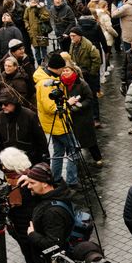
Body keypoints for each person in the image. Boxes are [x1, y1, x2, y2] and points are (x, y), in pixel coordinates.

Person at [34, 52, 80, 188]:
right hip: (59, 124)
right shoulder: (46, 84)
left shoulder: (48, 78)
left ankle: (56, 178)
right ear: (58, 68)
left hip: (53, 125)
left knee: (58, 152)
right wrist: (69, 103)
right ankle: (72, 181)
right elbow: (51, 107)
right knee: (74, 149)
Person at [0, 89, 47, 167]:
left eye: (5, 104)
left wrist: (44, 162)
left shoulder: (30, 116)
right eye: (1, 104)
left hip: (30, 163)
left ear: (14, 103)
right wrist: (0, 162)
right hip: (10, 164)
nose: (3, 107)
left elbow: (41, 141)